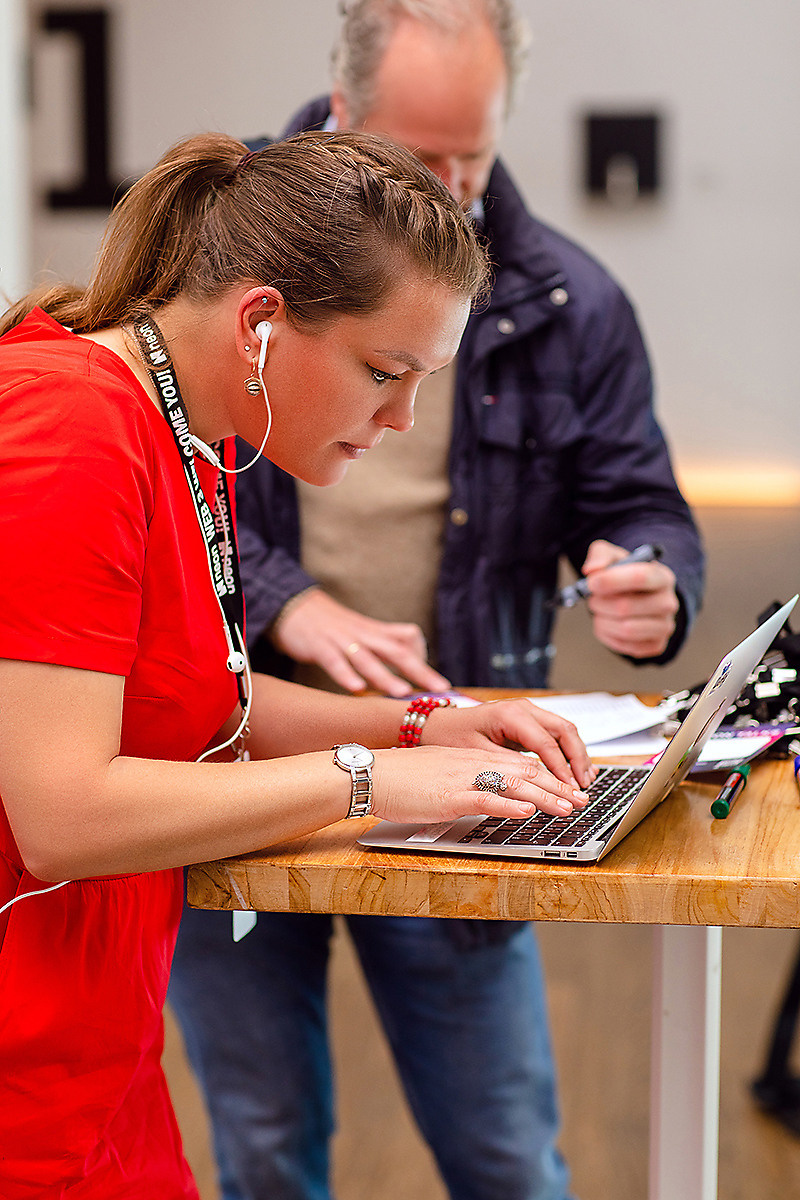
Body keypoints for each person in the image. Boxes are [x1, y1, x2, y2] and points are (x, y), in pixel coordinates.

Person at [169, 5, 706, 1200]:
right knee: (261, 1138)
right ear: (342, 112)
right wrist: (290, 604)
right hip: (221, 754)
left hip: (446, 743)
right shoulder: (208, 272)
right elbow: (170, 491)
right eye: (420, 162)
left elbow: (643, 505)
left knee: (504, 1149)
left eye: (475, 156)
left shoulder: (575, 301)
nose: (454, 192)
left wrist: (647, 583)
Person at [0, 128, 598, 1200]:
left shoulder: (186, 425)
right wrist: (370, 783)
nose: (400, 419)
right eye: (384, 371)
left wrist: (415, 724)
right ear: (262, 323)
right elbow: (60, 814)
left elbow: (204, 702)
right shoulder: (71, 426)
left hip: (95, 1051)